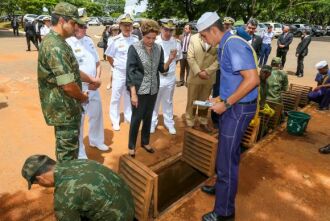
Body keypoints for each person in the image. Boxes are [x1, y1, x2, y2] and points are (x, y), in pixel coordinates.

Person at [197, 12, 260, 221]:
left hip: (238, 109)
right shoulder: (227, 44)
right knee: (225, 153)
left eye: (204, 36)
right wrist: (219, 98)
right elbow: (234, 79)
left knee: (227, 159)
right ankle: (221, 188)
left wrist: (227, 103)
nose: (204, 41)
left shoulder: (232, 44)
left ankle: (225, 212)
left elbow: (252, 80)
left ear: (213, 30)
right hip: (233, 106)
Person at [38, 2, 100, 162]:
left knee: (69, 151)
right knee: (67, 157)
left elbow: (71, 70)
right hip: (64, 109)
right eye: (73, 23)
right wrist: (82, 97)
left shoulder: (59, 42)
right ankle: (66, 185)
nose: (76, 28)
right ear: (61, 21)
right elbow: (68, 85)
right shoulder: (55, 46)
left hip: (65, 108)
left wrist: (91, 79)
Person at [21, 154, 134, 220]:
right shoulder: (78, 162)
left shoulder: (64, 197)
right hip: (128, 205)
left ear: (41, 179)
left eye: (38, 183)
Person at [126, 19, 176, 157]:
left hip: (153, 89)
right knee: (136, 118)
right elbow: (130, 72)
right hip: (139, 89)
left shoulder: (158, 48)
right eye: (148, 37)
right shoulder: (134, 48)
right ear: (142, 34)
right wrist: (133, 94)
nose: (151, 41)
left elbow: (162, 69)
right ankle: (131, 146)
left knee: (148, 116)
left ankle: (145, 142)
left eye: (154, 38)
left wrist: (170, 59)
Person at [66, 17, 109, 159]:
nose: (85, 29)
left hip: (93, 86)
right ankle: (80, 151)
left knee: (96, 114)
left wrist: (96, 80)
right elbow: (71, 71)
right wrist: (91, 81)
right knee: (80, 120)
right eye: (82, 26)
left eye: (86, 26)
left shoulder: (89, 41)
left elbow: (97, 63)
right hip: (78, 87)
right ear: (74, 25)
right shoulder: (67, 43)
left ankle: (96, 140)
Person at [105, 13, 139, 131]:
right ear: (120, 26)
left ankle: (128, 116)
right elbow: (108, 56)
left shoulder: (135, 39)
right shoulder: (114, 40)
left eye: (129, 25)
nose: (127, 27)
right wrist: (115, 66)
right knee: (116, 96)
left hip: (131, 73)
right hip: (119, 73)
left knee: (129, 95)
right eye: (124, 25)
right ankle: (115, 120)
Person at [151, 19, 182, 135]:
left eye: (171, 30)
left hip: (170, 77)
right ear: (161, 29)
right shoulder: (154, 41)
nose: (168, 32)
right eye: (166, 29)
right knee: (154, 101)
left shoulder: (176, 43)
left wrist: (170, 71)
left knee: (168, 101)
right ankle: (152, 123)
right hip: (157, 76)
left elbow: (177, 60)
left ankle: (169, 123)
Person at [185, 33, 218, 132]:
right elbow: (190, 57)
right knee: (192, 100)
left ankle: (203, 121)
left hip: (209, 76)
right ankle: (190, 122)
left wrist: (207, 71)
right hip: (195, 76)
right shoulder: (194, 38)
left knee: (205, 101)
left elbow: (219, 59)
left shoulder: (217, 38)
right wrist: (199, 72)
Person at [106, 23, 120, 90]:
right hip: (113, 57)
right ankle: (110, 83)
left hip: (119, 56)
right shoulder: (110, 39)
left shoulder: (121, 37)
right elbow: (109, 49)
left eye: (117, 29)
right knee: (112, 71)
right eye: (114, 30)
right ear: (111, 31)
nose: (116, 31)